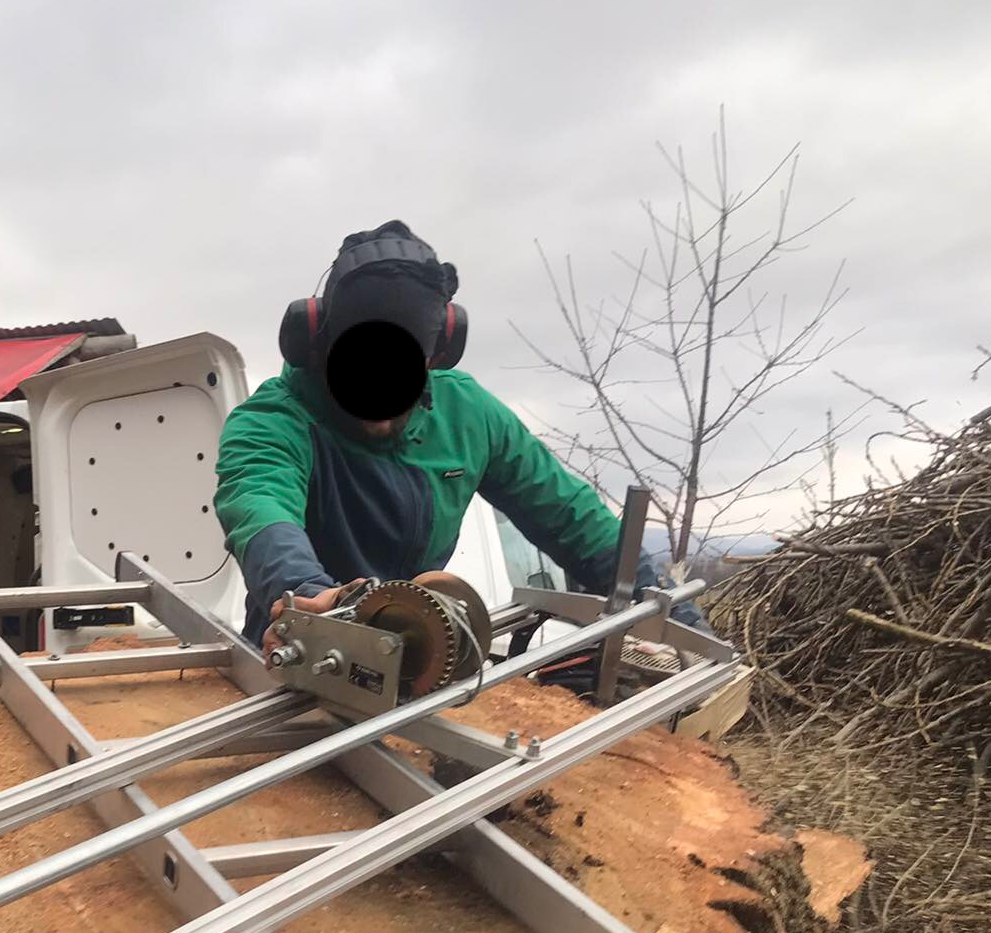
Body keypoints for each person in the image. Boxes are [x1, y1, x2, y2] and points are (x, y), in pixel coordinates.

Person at [213, 220, 704, 651]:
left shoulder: (468, 415)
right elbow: (261, 509)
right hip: (293, 652)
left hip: (416, 654)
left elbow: (574, 521)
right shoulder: (272, 421)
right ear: (317, 341)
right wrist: (308, 597)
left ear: (435, 356)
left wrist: (678, 621)